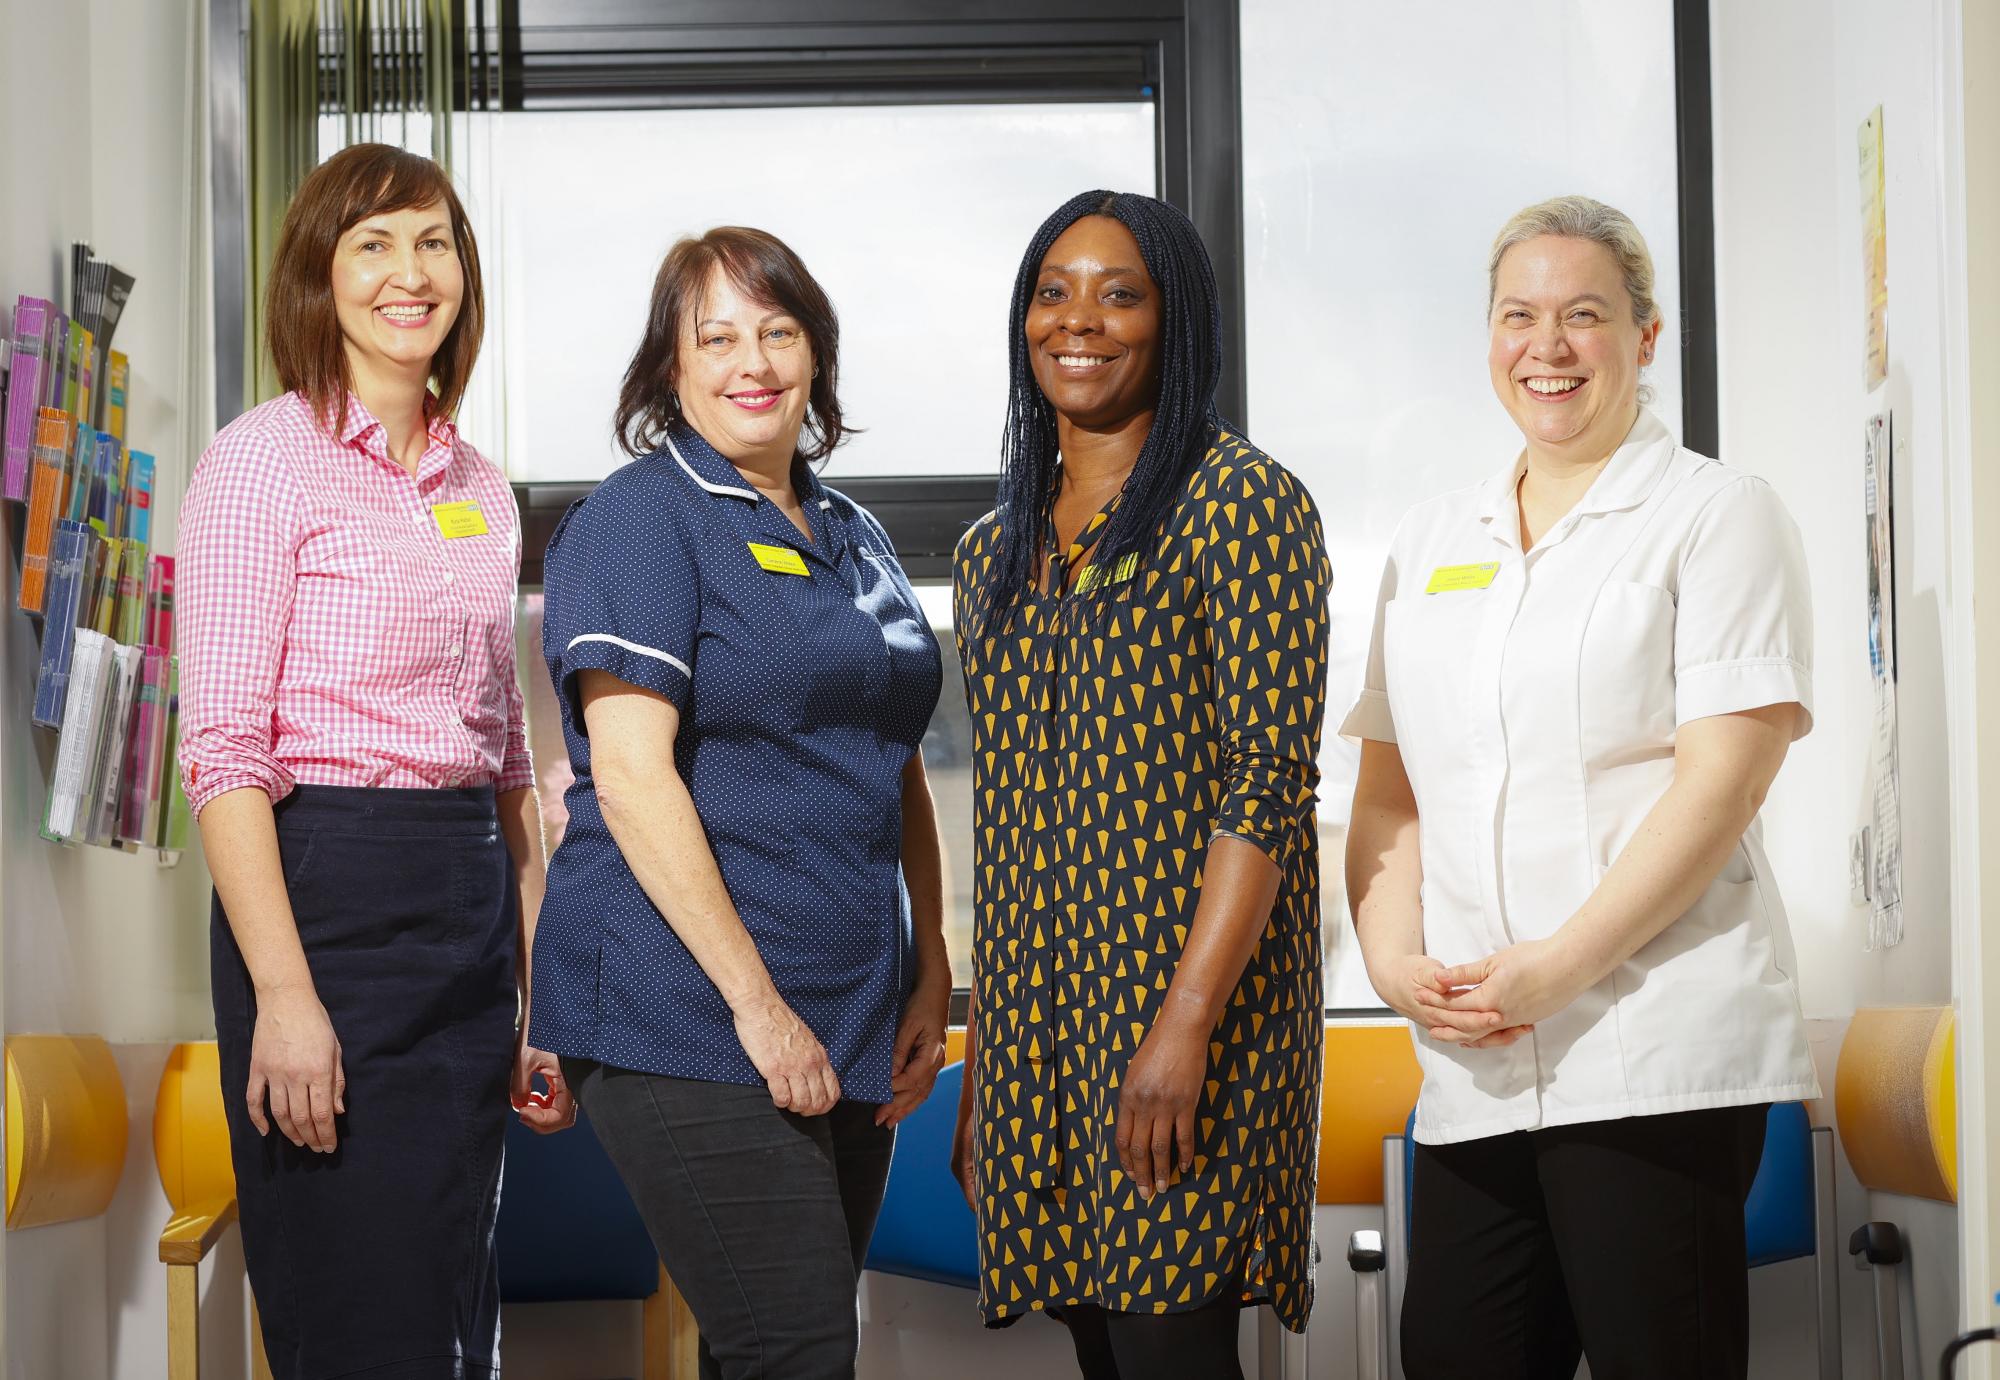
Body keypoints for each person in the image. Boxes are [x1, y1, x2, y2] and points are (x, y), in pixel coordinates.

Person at [1343, 194, 1818, 1380]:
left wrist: (1558, 966)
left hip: (1649, 1046)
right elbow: (1390, 792)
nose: (1545, 347)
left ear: (1644, 337)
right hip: (1475, 1059)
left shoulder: (1715, 515)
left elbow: (1722, 781)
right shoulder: (1430, 536)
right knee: (1455, 1356)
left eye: (1582, 316)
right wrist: (1392, 963)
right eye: (1518, 315)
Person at [179, 142, 573, 1380]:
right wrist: (286, 1000)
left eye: (436, 242)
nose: (413, 273)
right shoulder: (261, 460)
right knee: (361, 1319)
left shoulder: (481, 488)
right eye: (375, 244)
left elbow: (505, 752)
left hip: (463, 907)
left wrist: (532, 984)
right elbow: (225, 754)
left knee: (457, 1317)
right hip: (324, 902)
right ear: (320, 274)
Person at [528, 226, 951, 1380]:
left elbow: (891, 754)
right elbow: (628, 773)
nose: (749, 360)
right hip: (687, 1011)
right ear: (669, 368)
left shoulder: (851, 533)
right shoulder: (639, 519)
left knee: (777, 1349)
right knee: (795, 1350)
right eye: (713, 337)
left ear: (815, 353)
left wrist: (929, 966)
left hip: (849, 1005)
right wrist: (757, 1010)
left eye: (776, 329)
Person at [948, 191, 1330, 1380]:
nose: (1081, 319)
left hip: (1186, 1019)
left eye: (1121, 293)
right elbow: (1003, 820)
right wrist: (988, 1056)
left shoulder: (1239, 505)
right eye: (1052, 291)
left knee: (1174, 1348)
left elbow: (1266, 784)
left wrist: (1184, 1022)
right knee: (1104, 1355)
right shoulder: (989, 551)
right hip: (1037, 1036)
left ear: (1174, 321)